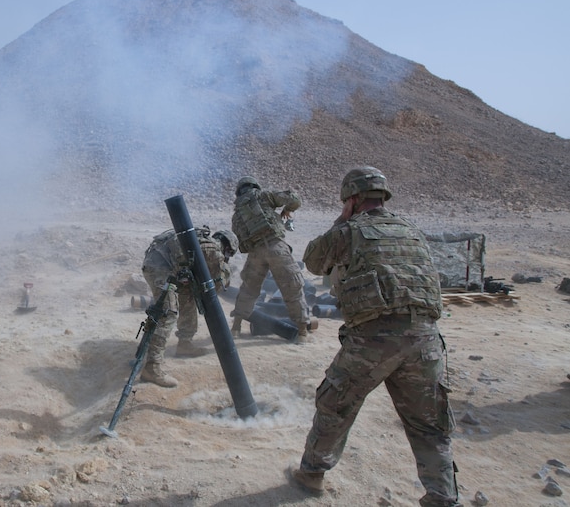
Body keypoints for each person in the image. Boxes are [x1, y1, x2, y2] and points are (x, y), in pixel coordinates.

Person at [288, 166, 460, 507]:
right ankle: (443, 496)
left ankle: (312, 473)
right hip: (425, 338)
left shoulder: (350, 230)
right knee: (428, 424)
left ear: (351, 199)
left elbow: (313, 261)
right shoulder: (411, 229)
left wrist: (341, 221)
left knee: (335, 405)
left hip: (374, 339)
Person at [140, 226, 237, 387]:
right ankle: (152, 367)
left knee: (188, 296)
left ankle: (184, 343)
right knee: (168, 312)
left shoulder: (201, 242)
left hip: (163, 265)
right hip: (160, 269)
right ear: (228, 248)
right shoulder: (213, 250)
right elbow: (217, 286)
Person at [230, 175, 314, 338]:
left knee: (247, 290)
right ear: (255, 186)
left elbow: (241, 243)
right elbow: (294, 199)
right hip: (276, 247)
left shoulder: (237, 214)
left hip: (255, 253)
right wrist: (287, 210)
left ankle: (236, 328)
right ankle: (303, 332)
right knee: (292, 287)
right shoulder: (264, 196)